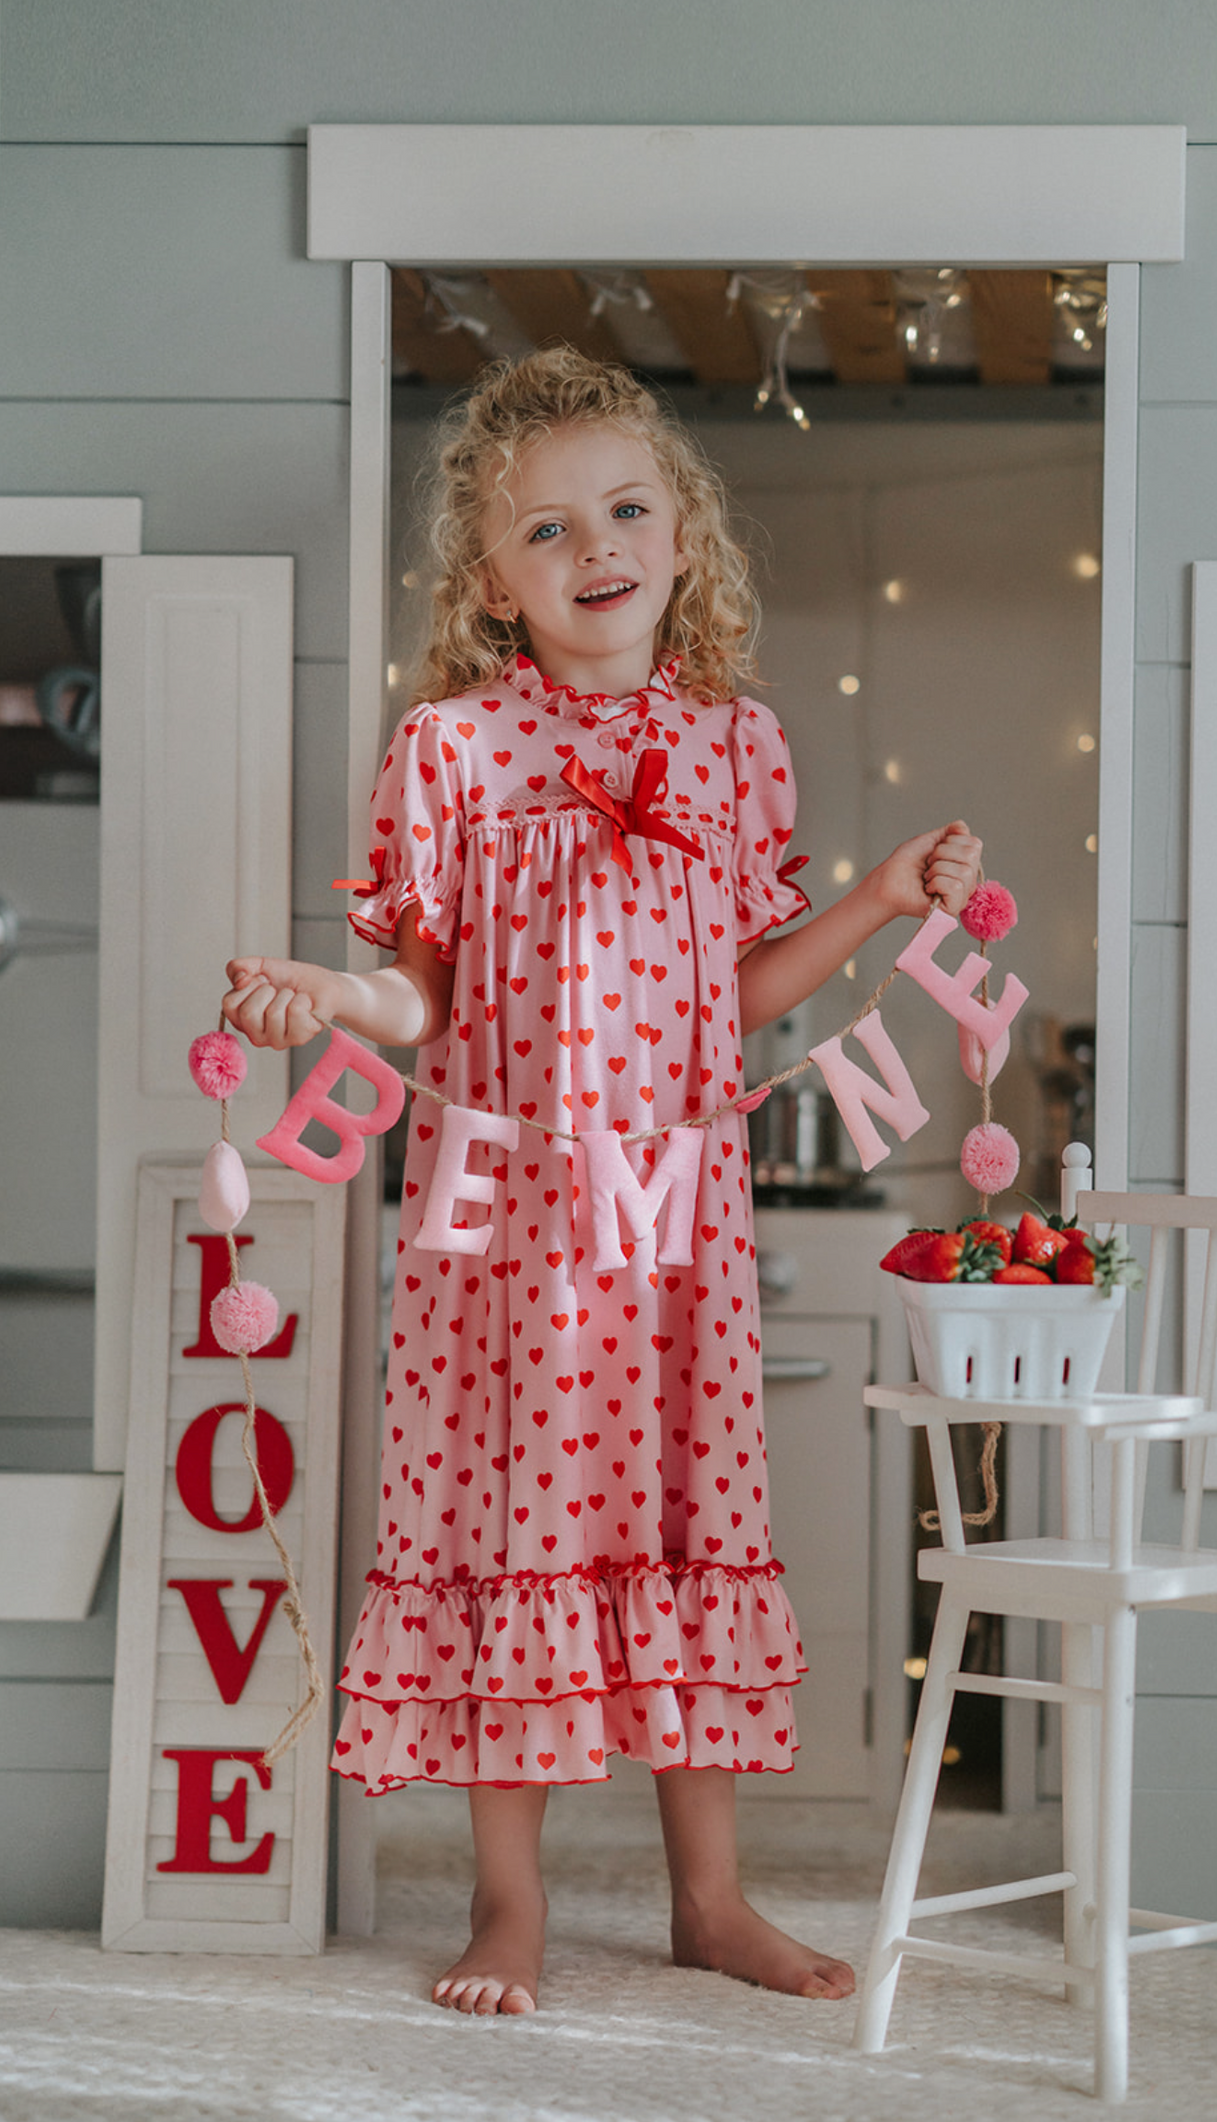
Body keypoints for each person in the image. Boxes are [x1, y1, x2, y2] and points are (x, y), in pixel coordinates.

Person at [224, 347, 981, 2018]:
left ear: (685, 533)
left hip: (673, 1226)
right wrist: (335, 999)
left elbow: (742, 987)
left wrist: (871, 897)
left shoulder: (733, 749)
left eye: (626, 509)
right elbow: (420, 993)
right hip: (502, 1231)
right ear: (492, 580)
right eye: (549, 530)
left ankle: (713, 1898)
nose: (598, 549)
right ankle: (511, 1903)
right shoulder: (451, 751)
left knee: (685, 1523)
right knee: (516, 1532)